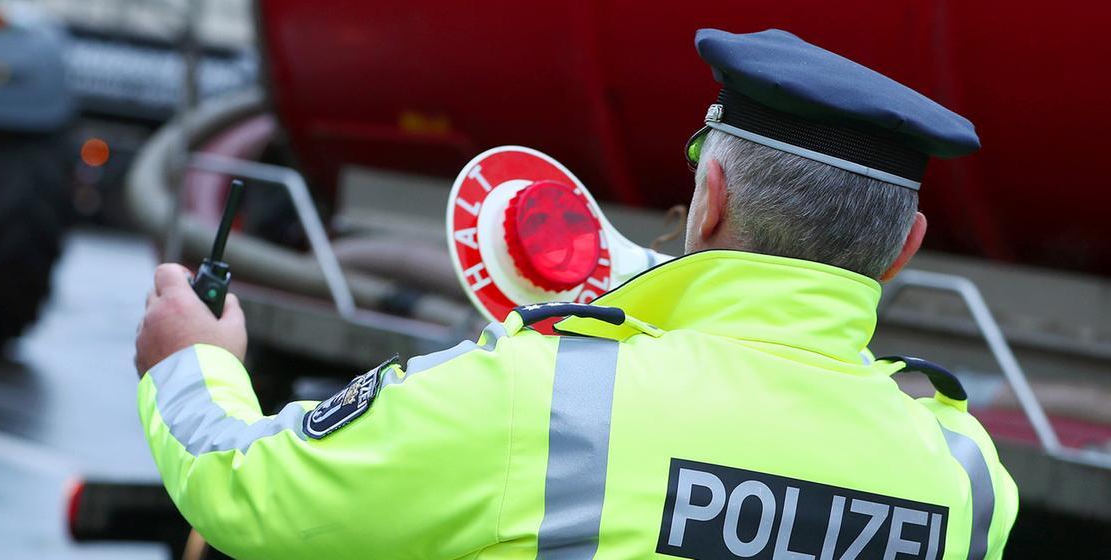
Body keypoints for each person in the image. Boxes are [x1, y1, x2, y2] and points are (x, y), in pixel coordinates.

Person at [134, 28, 1016, 560]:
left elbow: (247, 489)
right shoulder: (968, 478)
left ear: (707, 204)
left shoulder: (549, 396)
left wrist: (193, 362)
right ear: (905, 250)